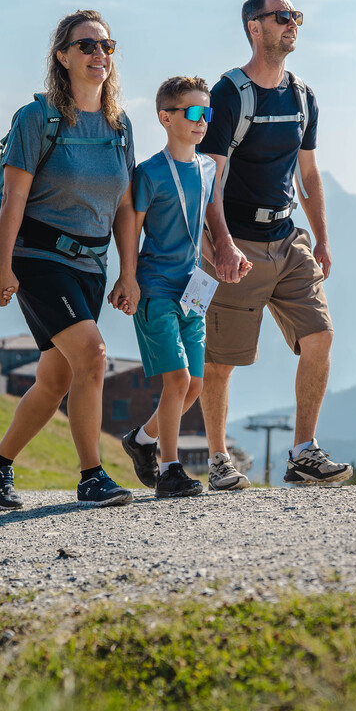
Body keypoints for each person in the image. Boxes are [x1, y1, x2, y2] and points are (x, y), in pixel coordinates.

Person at [0, 9, 138, 510]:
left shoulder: (119, 124)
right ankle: (91, 476)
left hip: (92, 265)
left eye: (107, 46)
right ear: (63, 56)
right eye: (87, 45)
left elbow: (126, 207)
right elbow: (15, 199)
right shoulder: (37, 118)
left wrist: (128, 272)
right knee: (92, 355)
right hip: (40, 257)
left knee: (56, 378)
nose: (98, 54)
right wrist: (1, 267)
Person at [197, 0, 352, 488]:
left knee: (320, 338)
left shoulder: (303, 96)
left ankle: (303, 452)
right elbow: (211, 178)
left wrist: (322, 240)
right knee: (220, 362)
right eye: (282, 16)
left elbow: (309, 175)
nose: (292, 24)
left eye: (297, 17)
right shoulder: (227, 95)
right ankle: (218, 459)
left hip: (289, 240)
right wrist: (220, 243)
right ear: (254, 27)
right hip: (237, 244)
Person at [109, 76, 245, 497]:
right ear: (165, 118)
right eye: (193, 112)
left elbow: (204, 220)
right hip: (156, 289)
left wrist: (228, 251)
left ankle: (142, 440)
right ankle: (169, 470)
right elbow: (131, 228)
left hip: (194, 292)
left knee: (196, 385)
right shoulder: (148, 173)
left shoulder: (208, 167)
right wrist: (127, 277)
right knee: (178, 380)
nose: (202, 120)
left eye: (207, 112)